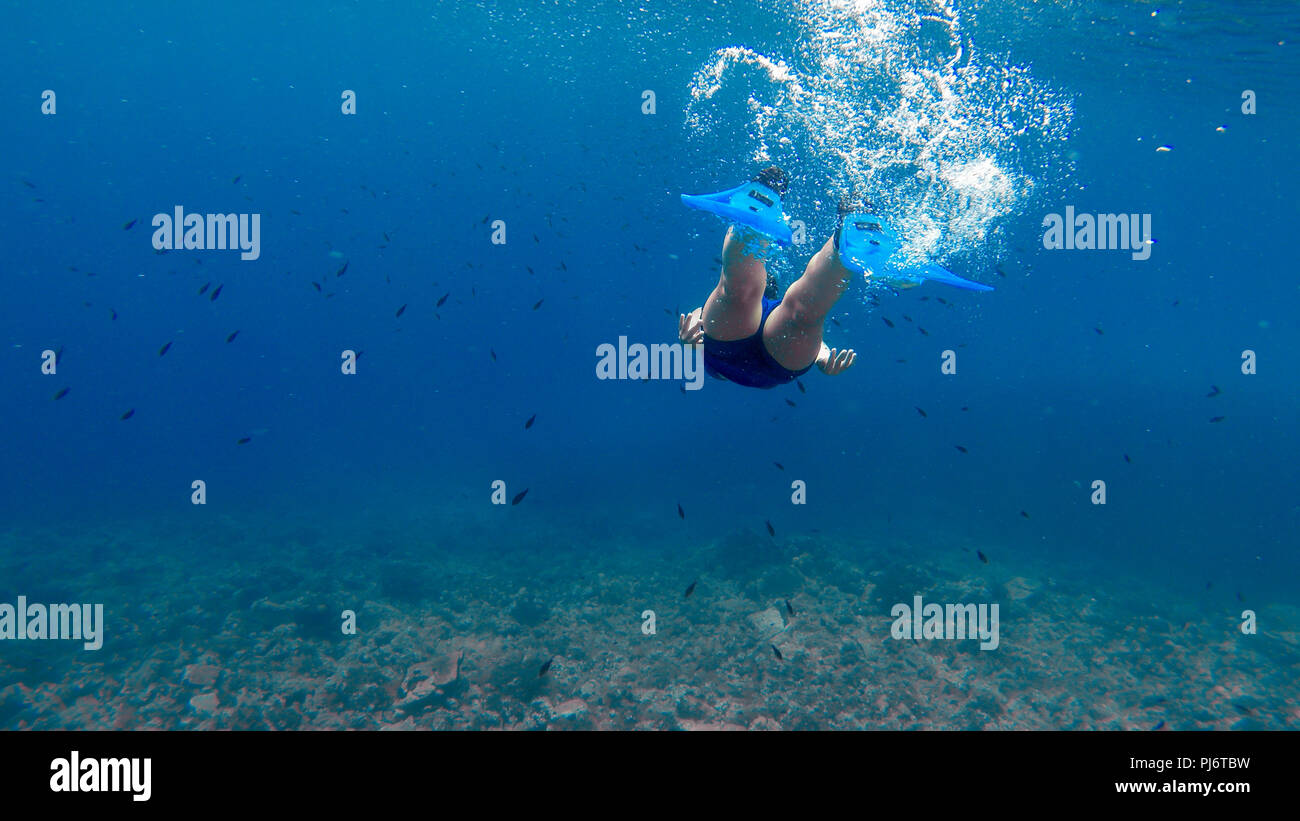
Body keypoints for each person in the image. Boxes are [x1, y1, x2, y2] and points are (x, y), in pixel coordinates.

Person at [677, 167, 857, 389]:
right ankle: (847, 233)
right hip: (742, 356)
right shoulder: (774, 308)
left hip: (747, 360)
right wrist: (823, 357)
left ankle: (847, 235)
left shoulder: (773, 309)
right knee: (759, 300)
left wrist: (689, 344)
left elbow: (697, 318)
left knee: (798, 314)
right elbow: (698, 318)